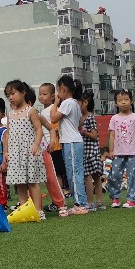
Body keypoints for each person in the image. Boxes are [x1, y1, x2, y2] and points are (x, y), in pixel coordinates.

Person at [2, 79, 46, 219]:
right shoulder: (10, 114)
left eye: (13, 93)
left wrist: (36, 144)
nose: (10, 97)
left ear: (23, 93)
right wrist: (6, 152)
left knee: (33, 181)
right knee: (19, 182)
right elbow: (8, 133)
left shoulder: (30, 111)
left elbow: (38, 129)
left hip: (30, 151)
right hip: (15, 153)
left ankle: (38, 210)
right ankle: (25, 210)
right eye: (8, 95)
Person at [49, 76, 90, 215]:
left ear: (63, 89)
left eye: (57, 90)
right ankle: (80, 202)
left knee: (74, 173)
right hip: (73, 140)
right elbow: (79, 123)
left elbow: (53, 118)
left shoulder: (67, 103)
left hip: (71, 142)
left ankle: (80, 204)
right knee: (74, 172)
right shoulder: (75, 103)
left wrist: (55, 104)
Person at [105, 90, 135, 208]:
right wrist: (111, 150)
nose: (123, 102)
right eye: (120, 100)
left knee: (133, 176)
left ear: (131, 101)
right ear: (116, 103)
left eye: (126, 99)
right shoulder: (114, 118)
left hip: (133, 152)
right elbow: (112, 135)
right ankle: (115, 198)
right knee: (114, 175)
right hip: (118, 152)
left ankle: (131, 199)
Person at [35, 82, 68, 214]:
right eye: (40, 94)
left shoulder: (52, 110)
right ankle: (57, 201)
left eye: (44, 94)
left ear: (53, 96)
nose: (41, 96)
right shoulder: (42, 111)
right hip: (46, 146)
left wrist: (53, 141)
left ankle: (59, 200)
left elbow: (54, 126)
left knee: (55, 174)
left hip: (53, 146)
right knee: (52, 174)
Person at [79, 91, 104, 209]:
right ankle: (90, 201)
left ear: (85, 103)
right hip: (84, 151)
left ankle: (98, 201)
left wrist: (84, 132)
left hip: (92, 151)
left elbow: (94, 135)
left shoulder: (90, 117)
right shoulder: (80, 117)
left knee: (95, 176)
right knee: (87, 176)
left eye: (79, 103)